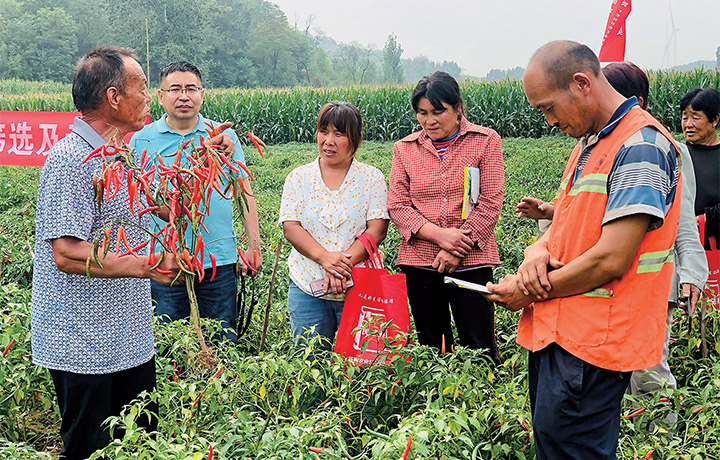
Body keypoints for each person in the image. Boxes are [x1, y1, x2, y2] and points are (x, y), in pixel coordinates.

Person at [486, 41, 681, 459]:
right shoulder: (590, 144)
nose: (549, 120)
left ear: (581, 83)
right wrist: (537, 250)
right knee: (556, 445)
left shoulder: (640, 146)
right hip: (564, 333)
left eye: (548, 108)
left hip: (595, 340)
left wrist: (530, 290)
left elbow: (612, 257)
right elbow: (569, 219)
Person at [30, 47, 187, 460]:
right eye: (140, 88)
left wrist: (181, 194)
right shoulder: (71, 160)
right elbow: (66, 252)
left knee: (140, 442)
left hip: (129, 338)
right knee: (90, 448)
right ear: (114, 97)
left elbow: (141, 213)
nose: (149, 97)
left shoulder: (122, 154)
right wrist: (145, 265)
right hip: (84, 344)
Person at [516, 62, 708, 396]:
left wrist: (692, 273)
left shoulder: (650, 146)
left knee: (648, 370)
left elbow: (682, 223)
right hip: (600, 292)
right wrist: (542, 233)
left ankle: (658, 436)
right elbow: (587, 214)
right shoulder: (590, 147)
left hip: (644, 285)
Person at [129, 61, 262, 343]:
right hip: (166, 260)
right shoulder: (142, 140)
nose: (184, 96)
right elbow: (136, 200)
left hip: (219, 258)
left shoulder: (223, 138)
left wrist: (253, 246)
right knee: (168, 345)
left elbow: (244, 192)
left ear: (202, 94)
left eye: (191, 89)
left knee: (223, 342)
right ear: (161, 95)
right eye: (175, 89)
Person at [388, 71, 504, 360]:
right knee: (432, 345)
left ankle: (479, 400)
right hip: (419, 263)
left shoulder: (485, 141)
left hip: (471, 260)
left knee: (479, 345)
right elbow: (398, 205)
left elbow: (490, 202)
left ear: (458, 108)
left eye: (438, 112)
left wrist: (456, 249)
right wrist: (441, 236)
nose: (430, 121)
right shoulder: (404, 149)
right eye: (422, 113)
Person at [279, 101, 389, 348]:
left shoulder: (372, 178)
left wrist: (341, 265)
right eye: (324, 131)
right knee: (311, 364)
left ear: (355, 139)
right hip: (306, 285)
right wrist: (324, 259)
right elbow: (291, 227)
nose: (328, 140)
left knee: (362, 366)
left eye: (339, 133)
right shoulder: (299, 178)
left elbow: (378, 228)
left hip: (360, 284)